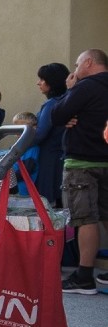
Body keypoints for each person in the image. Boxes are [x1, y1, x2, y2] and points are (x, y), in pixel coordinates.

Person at [51, 49, 108, 295]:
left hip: (83, 161)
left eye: (77, 64)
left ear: (89, 62)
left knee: (85, 218)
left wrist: (70, 91)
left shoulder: (85, 87)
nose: (74, 70)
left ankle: (84, 276)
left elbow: (57, 114)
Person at [34, 63, 70, 207]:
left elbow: (40, 134)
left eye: (42, 79)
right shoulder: (68, 100)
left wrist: (20, 142)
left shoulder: (51, 105)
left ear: (51, 82)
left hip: (50, 159)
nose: (38, 83)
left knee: (49, 204)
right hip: (63, 156)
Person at [11, 112, 39, 196]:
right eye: (16, 129)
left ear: (34, 128)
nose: (18, 133)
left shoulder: (32, 149)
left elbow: (26, 171)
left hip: (25, 193)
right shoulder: (18, 147)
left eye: (23, 129)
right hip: (17, 191)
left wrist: (8, 177)